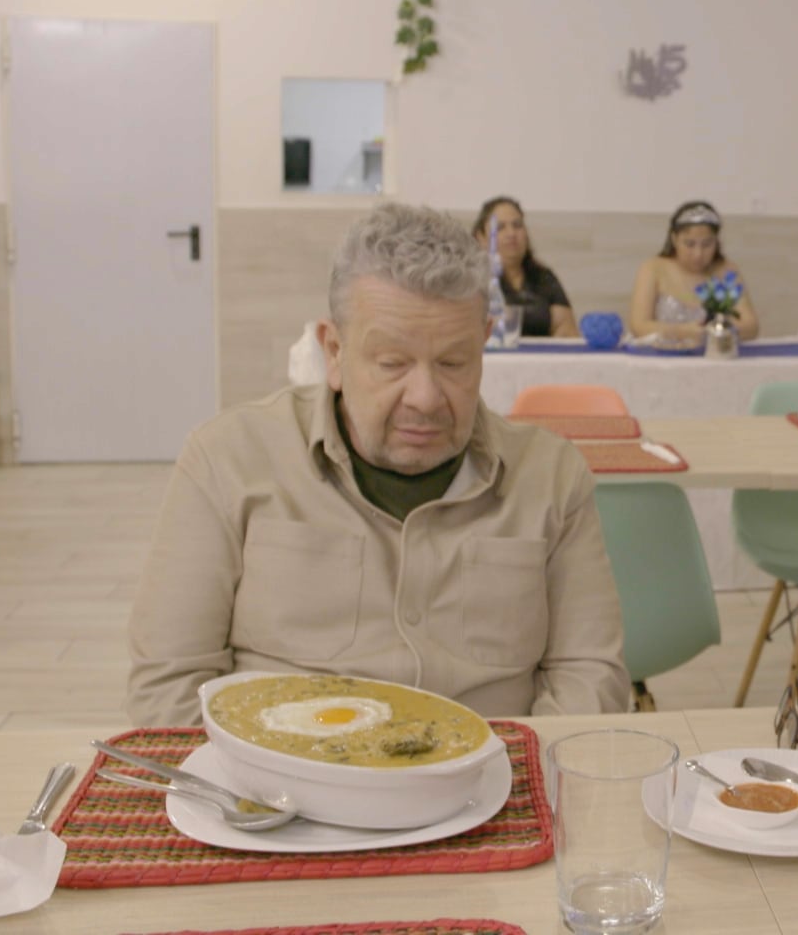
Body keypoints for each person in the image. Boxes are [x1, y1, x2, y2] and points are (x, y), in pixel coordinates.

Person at [125, 203, 630, 726]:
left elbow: (588, 677)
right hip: (278, 796)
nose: (426, 397)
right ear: (335, 351)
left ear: (484, 344)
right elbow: (170, 686)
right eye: (392, 363)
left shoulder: (550, 477)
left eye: (454, 363)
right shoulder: (227, 460)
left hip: (493, 790)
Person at [626, 200, 762, 342]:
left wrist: (716, 330)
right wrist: (680, 332)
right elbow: (638, 326)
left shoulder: (726, 270)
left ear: (717, 241)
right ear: (674, 239)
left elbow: (751, 326)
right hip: (662, 359)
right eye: (689, 244)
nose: (698, 254)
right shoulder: (653, 268)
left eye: (707, 244)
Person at [472, 196, 577, 338]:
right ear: (481, 237)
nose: (511, 234)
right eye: (500, 227)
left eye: (517, 225)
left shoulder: (543, 277)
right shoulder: (473, 279)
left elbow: (566, 329)